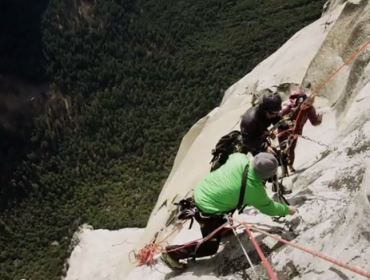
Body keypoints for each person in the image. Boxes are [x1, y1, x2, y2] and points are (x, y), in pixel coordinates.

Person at [160, 152, 296, 271]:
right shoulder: (255, 191)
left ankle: (221, 229)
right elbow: (270, 208)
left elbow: (229, 157)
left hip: (202, 189)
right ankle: (172, 254)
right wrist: (288, 210)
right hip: (207, 209)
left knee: (225, 211)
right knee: (210, 248)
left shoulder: (240, 158)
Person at [278, 88, 323, 177]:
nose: (305, 106)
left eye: (308, 105)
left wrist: (319, 120)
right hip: (283, 131)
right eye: (305, 103)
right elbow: (279, 117)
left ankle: (290, 165)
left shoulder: (310, 110)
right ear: (301, 100)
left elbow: (314, 122)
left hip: (295, 132)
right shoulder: (289, 106)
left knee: (291, 148)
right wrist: (288, 124)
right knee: (283, 150)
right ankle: (284, 171)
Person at [240, 90, 284, 156]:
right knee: (267, 162)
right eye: (272, 113)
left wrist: (285, 125)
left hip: (261, 135)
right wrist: (265, 147)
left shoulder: (268, 111)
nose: (274, 115)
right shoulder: (250, 120)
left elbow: (277, 118)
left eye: (277, 112)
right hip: (254, 140)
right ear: (264, 110)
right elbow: (247, 141)